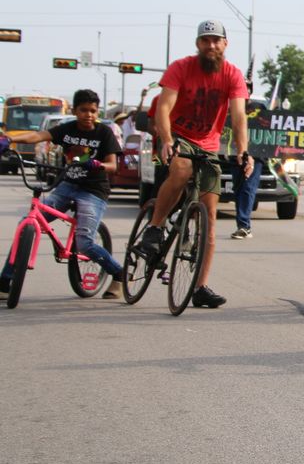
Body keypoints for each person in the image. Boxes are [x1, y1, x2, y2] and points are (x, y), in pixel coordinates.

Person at [133, 20, 253, 309]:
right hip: (178, 137)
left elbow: (238, 116)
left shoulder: (232, 74)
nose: (211, 45)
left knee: (209, 219)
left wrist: (243, 151)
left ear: (225, 44)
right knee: (182, 168)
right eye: (205, 40)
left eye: (216, 40)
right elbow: (164, 106)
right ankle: (155, 227)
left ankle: (199, 286)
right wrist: (165, 139)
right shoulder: (181, 68)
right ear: (198, 44)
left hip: (208, 145)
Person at [0, 90, 126, 301]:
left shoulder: (104, 133)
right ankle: (5, 280)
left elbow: (113, 165)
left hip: (93, 191)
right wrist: (8, 139)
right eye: (84, 110)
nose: (88, 115)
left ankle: (120, 274)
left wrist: (98, 164)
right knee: (26, 225)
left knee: (85, 243)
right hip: (67, 185)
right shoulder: (67, 129)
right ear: (75, 111)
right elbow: (37, 136)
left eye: (93, 111)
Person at [230, 97, 262, 240]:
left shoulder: (259, 108)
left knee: (248, 188)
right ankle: (243, 225)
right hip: (234, 156)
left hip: (255, 157)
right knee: (239, 189)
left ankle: (244, 226)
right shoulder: (230, 107)